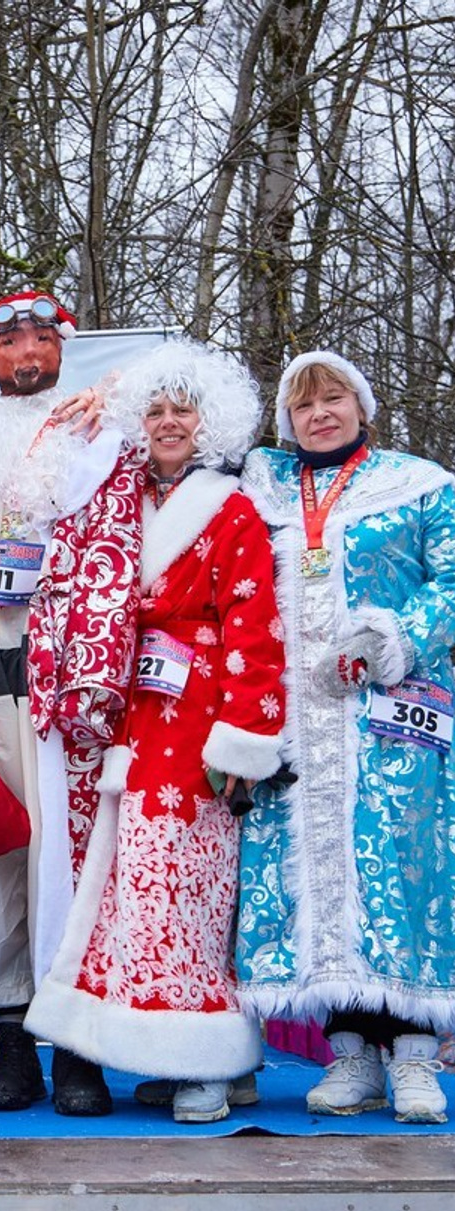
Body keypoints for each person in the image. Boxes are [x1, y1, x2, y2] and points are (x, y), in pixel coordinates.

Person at [26, 340, 285, 1123]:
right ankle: (163, 1047)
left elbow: (254, 626)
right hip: (135, 718)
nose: (169, 422)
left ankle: (207, 1057)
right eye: (157, 410)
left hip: (204, 719)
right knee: (139, 890)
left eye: (183, 410)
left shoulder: (231, 508)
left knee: (195, 890)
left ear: (209, 422)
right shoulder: (115, 494)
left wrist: (245, 735)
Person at [235, 351, 455, 1125]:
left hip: (390, 716)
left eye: (333, 399)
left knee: (397, 872)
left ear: (361, 406)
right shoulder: (258, 488)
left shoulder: (419, 483)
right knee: (311, 876)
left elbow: (452, 580)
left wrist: (391, 637)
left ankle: (418, 1057)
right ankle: (352, 1053)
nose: (319, 414)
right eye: (304, 405)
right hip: (292, 716)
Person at [0, 289, 141, 1117]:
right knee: (2, 864)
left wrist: (93, 675)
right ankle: (16, 1035)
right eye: (9, 338)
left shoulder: (102, 444)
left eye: (40, 336)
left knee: (75, 860)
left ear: (63, 350)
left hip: (72, 691)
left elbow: (118, 558)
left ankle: (80, 1047)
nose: (26, 349)